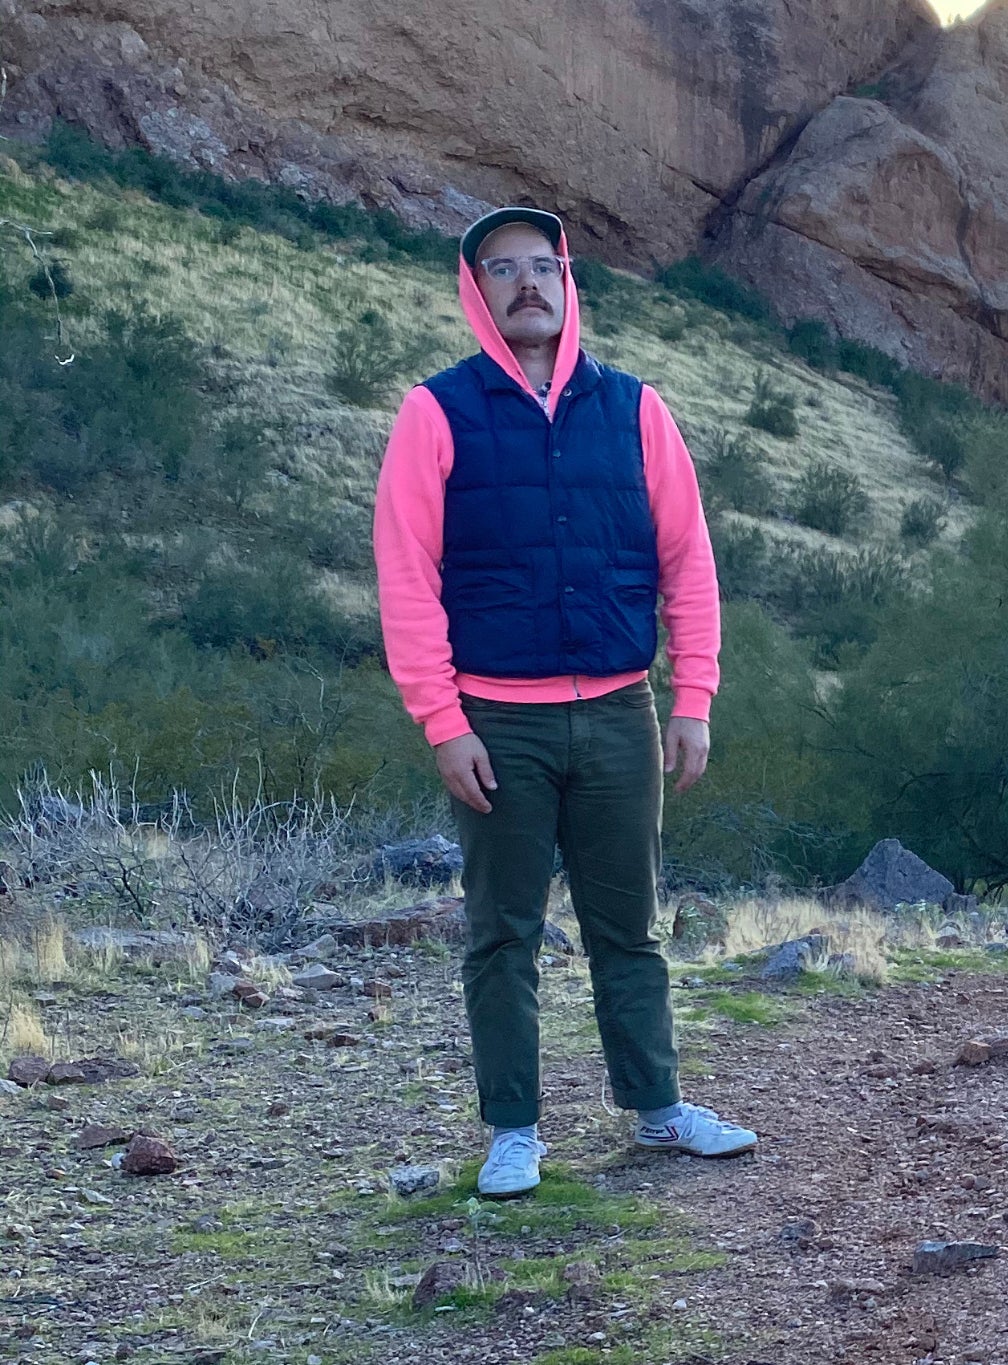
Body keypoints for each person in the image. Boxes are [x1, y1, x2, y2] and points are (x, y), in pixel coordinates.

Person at [372, 206, 757, 1199]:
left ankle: (660, 1111)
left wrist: (694, 695)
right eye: (502, 269)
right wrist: (442, 721)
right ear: (475, 290)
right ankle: (513, 1133)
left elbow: (688, 562)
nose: (526, 283)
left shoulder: (635, 410)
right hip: (498, 725)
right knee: (502, 933)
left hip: (624, 712)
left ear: (568, 279)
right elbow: (406, 578)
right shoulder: (436, 413)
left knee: (628, 927)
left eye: (541, 265)